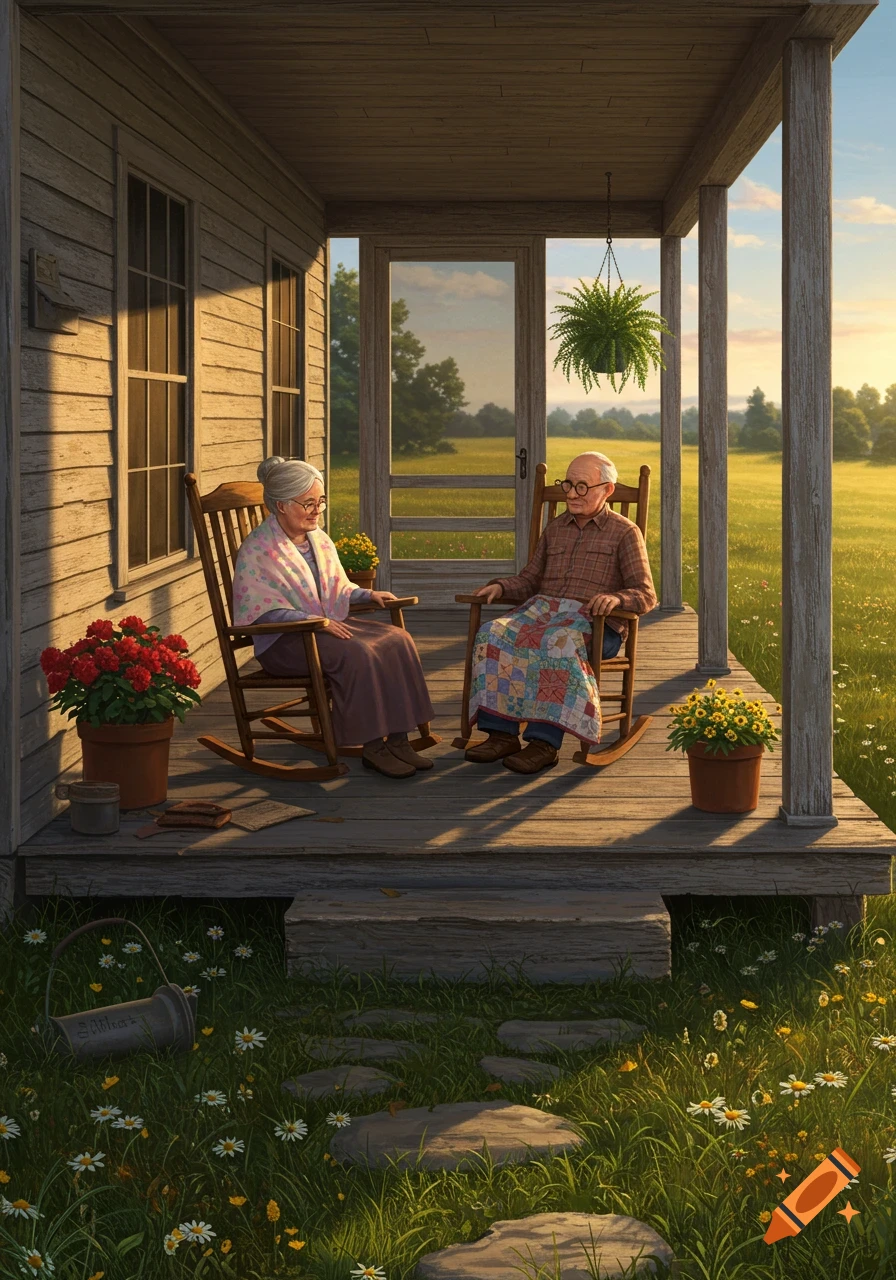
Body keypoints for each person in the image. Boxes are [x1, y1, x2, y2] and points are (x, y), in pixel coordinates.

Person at [232, 456, 435, 780]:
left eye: (321, 502)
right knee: (359, 653)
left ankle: (399, 738)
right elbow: (262, 609)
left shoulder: (319, 540)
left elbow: (337, 586)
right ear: (281, 505)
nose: (317, 510)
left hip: (323, 627)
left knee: (398, 640)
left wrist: (367, 595)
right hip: (285, 640)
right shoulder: (259, 550)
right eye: (308, 503)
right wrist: (317, 622)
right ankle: (373, 747)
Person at [465, 450, 656, 775]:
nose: (571, 493)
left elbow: (646, 594)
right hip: (542, 613)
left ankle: (543, 744)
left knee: (555, 642)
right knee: (492, 633)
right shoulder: (556, 528)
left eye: (582, 486)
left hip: (596, 624)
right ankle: (501, 735)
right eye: (568, 484)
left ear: (607, 490)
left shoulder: (625, 532)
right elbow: (530, 579)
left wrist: (615, 599)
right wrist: (500, 586)